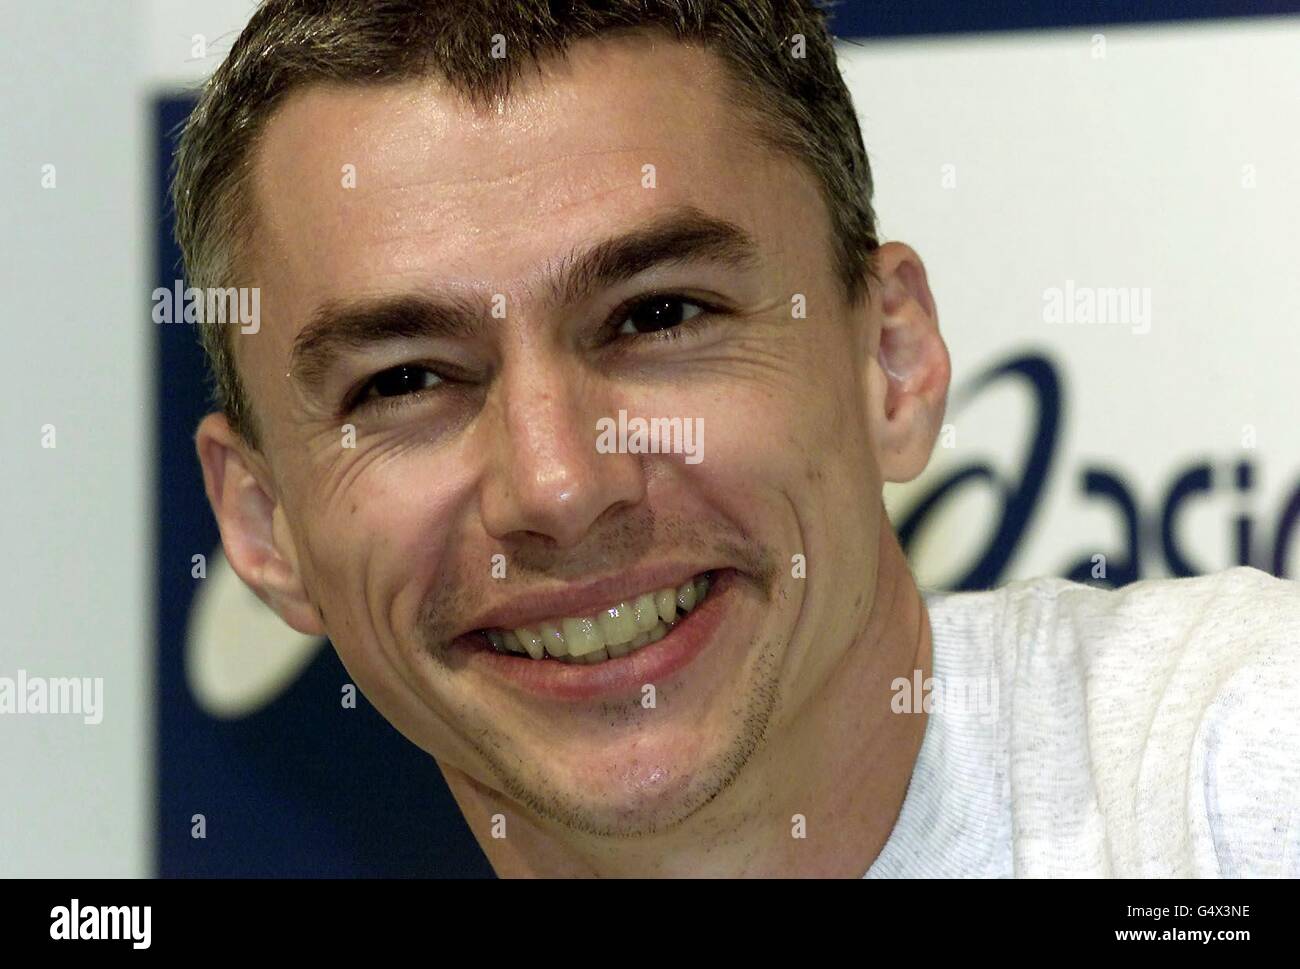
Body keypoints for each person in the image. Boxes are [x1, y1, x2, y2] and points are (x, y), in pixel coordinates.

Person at [173, 0, 1300, 877]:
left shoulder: (1243, 777)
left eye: (658, 316)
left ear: (891, 365)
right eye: (406, 379)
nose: (560, 487)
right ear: (264, 527)